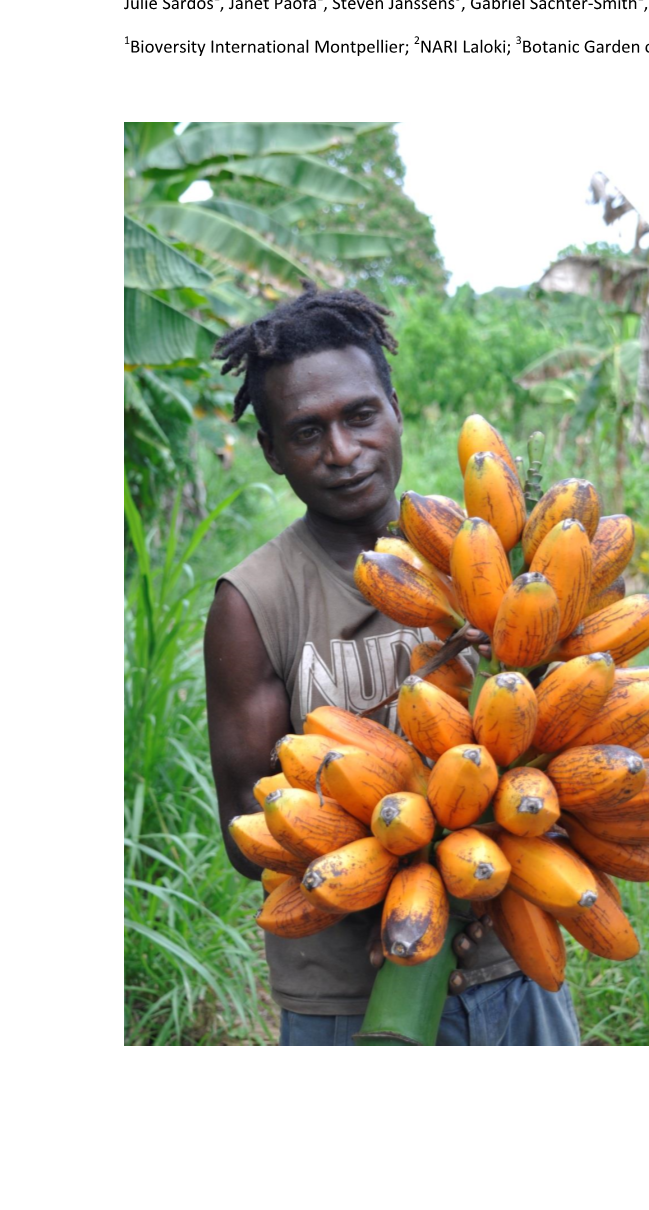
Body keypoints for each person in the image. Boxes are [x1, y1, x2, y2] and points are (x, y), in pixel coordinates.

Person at [204, 283, 581, 1046]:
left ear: (396, 411)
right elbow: (252, 829)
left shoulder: (493, 557)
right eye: (307, 432)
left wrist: (473, 874)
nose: (341, 452)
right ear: (272, 451)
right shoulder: (253, 605)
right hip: (344, 999)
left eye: (360, 416)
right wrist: (397, 891)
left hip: (511, 964)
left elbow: (576, 742)